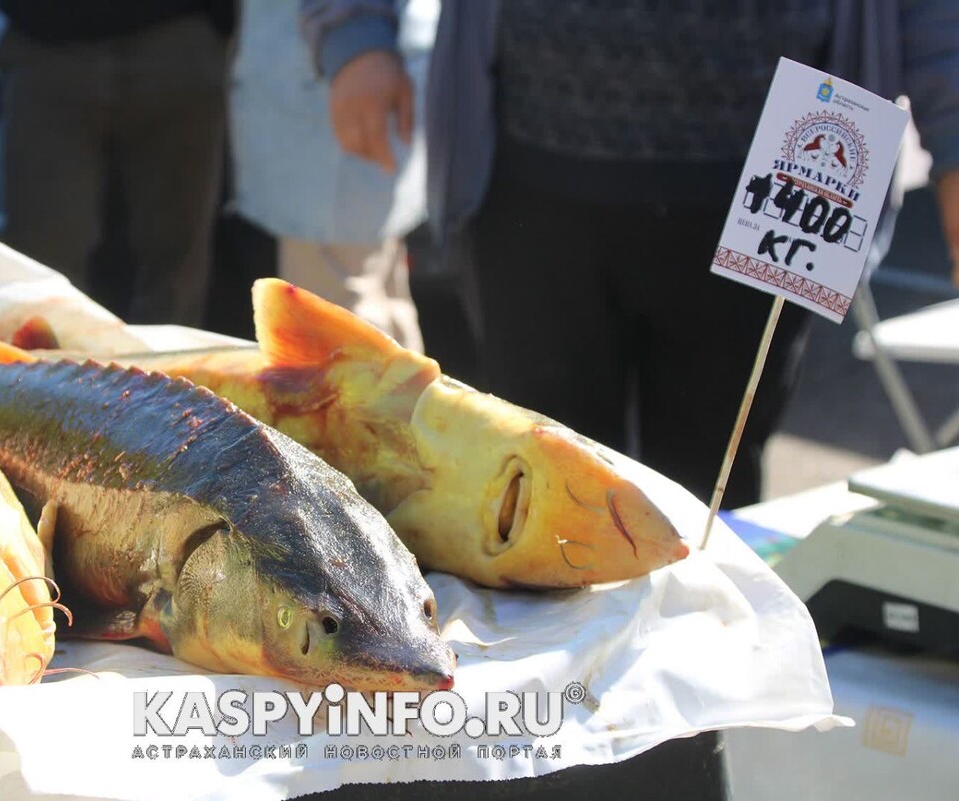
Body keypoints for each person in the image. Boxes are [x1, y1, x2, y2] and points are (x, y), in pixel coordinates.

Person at [301, 0, 959, 509]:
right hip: (533, 182)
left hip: (778, 188)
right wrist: (355, 31)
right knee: (542, 498)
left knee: (712, 511)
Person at [0, 1, 234, 326]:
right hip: (46, 42)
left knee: (175, 272)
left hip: (179, 39)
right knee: (41, 274)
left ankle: (166, 364)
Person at [228, 0, 436, 351]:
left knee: (336, 329)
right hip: (348, 78)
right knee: (378, 296)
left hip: (343, 87)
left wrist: (356, 42)